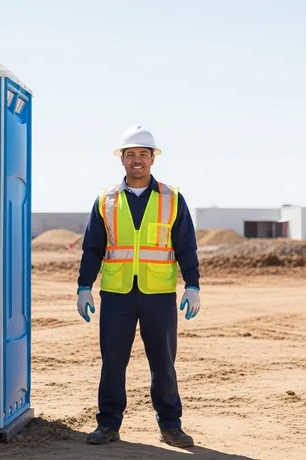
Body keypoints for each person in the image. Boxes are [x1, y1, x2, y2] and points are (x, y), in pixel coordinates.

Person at [76, 125, 201, 448]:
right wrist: (84, 287)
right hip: (117, 294)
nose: (137, 161)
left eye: (143, 155)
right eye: (130, 155)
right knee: (113, 362)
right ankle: (108, 425)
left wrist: (193, 286)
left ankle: (171, 425)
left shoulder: (172, 198)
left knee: (163, 363)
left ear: (152, 159)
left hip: (158, 294)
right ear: (122, 160)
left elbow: (186, 245)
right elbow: (92, 247)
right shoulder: (106, 200)